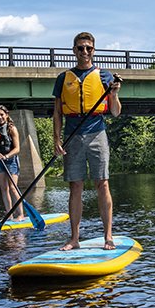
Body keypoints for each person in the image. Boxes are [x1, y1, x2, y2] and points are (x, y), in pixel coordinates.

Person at [52, 32, 122, 251]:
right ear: (74, 50)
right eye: (80, 48)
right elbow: (57, 113)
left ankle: (108, 237)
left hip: (97, 133)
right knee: (76, 186)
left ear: (93, 50)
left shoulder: (105, 76)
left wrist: (115, 94)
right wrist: (57, 138)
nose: (84, 52)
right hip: (73, 136)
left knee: (102, 183)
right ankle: (74, 238)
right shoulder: (64, 78)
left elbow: (116, 112)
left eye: (88, 48)